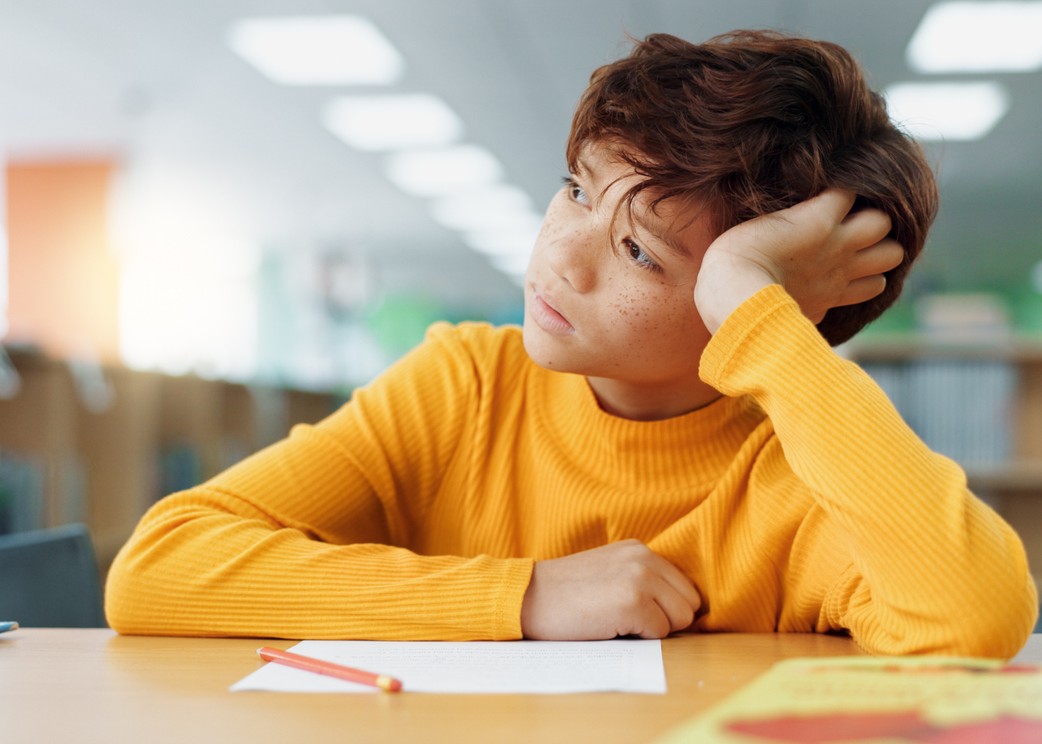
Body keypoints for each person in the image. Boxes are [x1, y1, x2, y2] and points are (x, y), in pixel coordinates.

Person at [105, 30, 1038, 656]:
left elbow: (972, 616)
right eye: (578, 190)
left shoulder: (798, 469)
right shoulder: (469, 381)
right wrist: (524, 598)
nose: (562, 255)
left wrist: (755, 308)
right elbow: (157, 571)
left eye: (640, 252)